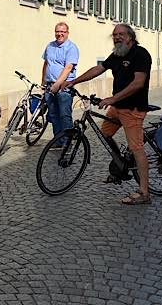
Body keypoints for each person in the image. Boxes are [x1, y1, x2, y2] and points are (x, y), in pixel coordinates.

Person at [60, 23, 153, 205]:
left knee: (137, 148)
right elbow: (98, 69)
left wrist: (112, 98)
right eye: (114, 35)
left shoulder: (140, 54)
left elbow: (138, 83)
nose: (117, 37)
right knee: (105, 135)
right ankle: (120, 166)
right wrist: (74, 81)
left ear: (130, 37)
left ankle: (144, 192)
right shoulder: (118, 54)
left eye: (121, 34)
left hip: (133, 108)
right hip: (118, 107)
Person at [41, 22, 79, 147]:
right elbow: (46, 64)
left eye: (62, 32)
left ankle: (67, 142)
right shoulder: (50, 46)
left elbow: (68, 68)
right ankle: (58, 140)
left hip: (63, 88)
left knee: (64, 115)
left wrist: (57, 84)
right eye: (57, 31)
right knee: (53, 114)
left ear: (67, 33)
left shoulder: (71, 48)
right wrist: (43, 81)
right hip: (49, 85)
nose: (60, 34)